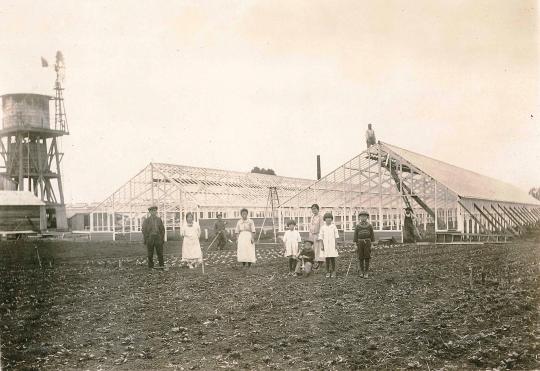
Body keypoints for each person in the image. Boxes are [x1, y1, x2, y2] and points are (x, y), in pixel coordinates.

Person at [353, 210, 375, 278]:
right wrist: (355, 245)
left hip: (367, 243)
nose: (363, 218)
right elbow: (355, 236)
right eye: (361, 216)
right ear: (359, 218)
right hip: (359, 243)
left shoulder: (370, 226)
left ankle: (366, 272)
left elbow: (372, 236)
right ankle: (361, 271)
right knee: (361, 257)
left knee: (367, 257)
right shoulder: (357, 226)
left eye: (365, 216)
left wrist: (372, 244)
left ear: (367, 217)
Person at [318, 212, 340, 278]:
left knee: (332, 258)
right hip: (325, 245)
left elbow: (336, 237)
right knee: (327, 258)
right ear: (325, 219)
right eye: (327, 218)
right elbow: (321, 237)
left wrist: (336, 245)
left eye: (330, 218)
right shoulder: (323, 227)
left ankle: (333, 271)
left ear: (331, 219)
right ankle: (327, 271)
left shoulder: (333, 227)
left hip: (332, 245)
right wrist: (322, 245)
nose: (328, 220)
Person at [309, 204, 325, 271]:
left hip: (318, 235)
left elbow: (322, 227)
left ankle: (320, 265)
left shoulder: (320, 217)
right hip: (313, 235)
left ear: (318, 209)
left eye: (315, 209)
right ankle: (316, 264)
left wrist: (320, 236)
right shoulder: (312, 217)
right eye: (312, 209)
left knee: (319, 250)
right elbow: (310, 227)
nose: (314, 210)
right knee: (314, 250)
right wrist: (310, 236)